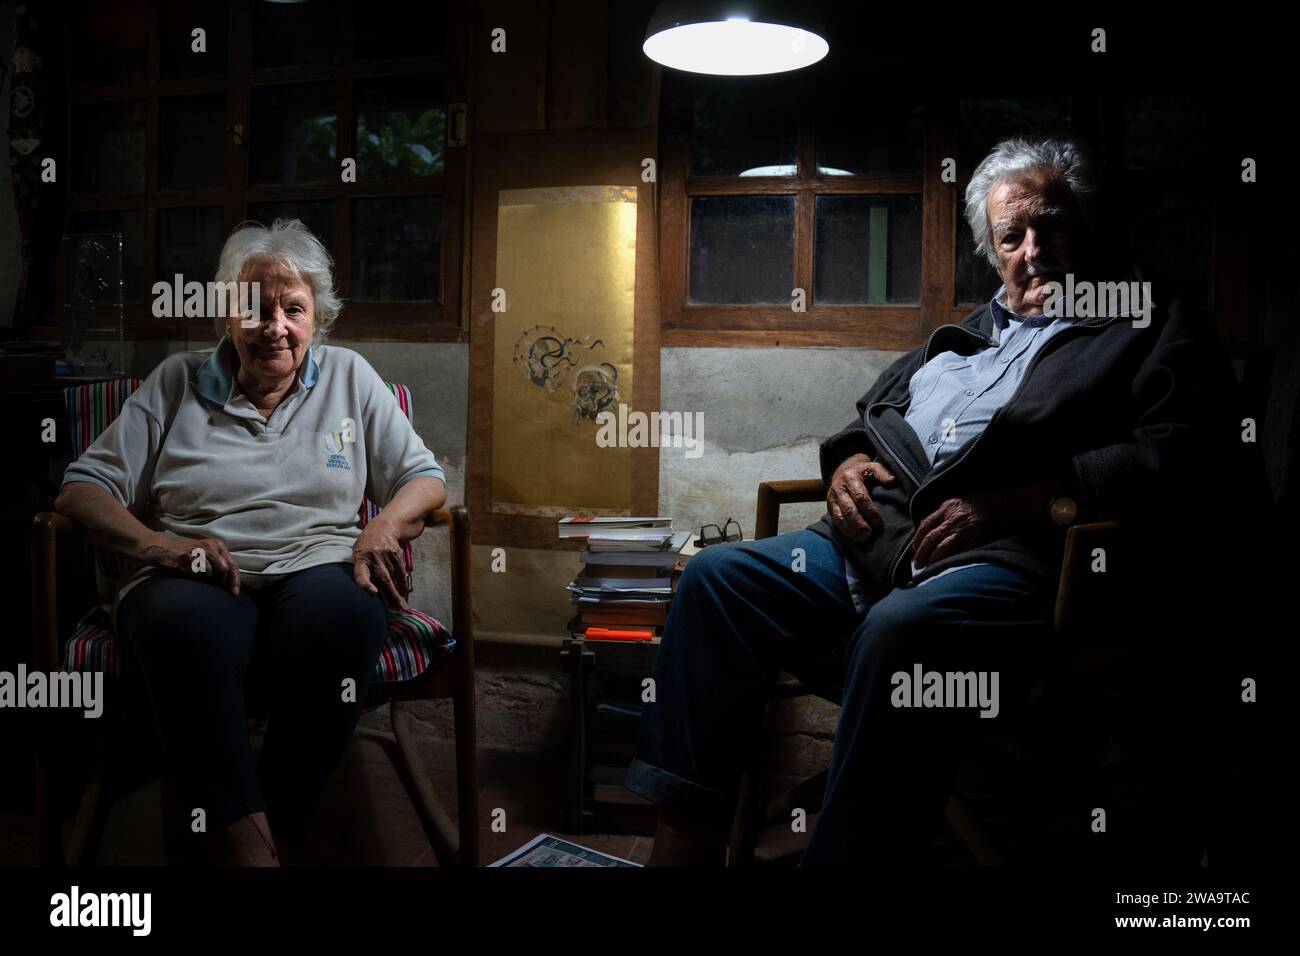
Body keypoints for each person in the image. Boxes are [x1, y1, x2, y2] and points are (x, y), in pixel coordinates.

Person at [625, 137, 1238, 865]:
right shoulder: (968, 334)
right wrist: (848, 459)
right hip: (872, 545)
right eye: (1012, 235)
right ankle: (682, 849)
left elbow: (1187, 451)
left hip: (1010, 555)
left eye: (1053, 225)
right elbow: (875, 415)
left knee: (901, 631)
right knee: (714, 580)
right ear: (993, 250)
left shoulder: (1149, 318)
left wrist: (1040, 498)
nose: (1033, 250)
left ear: (1092, 226)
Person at [55, 219, 446, 865]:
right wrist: (161, 547)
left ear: (318, 316)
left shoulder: (350, 377)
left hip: (318, 563)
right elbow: (81, 488)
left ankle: (278, 826)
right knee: (182, 626)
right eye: (255, 310)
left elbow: (424, 480)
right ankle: (249, 843)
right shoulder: (176, 380)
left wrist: (382, 524)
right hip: (193, 568)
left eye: (293, 309)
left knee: (344, 616)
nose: (275, 327)